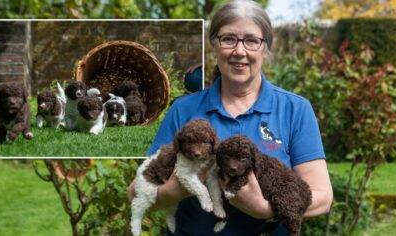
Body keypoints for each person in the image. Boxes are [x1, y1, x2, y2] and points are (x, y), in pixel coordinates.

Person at [128, 0, 333, 235]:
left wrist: (266, 209)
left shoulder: (295, 109)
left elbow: (323, 198)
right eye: (228, 39)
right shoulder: (184, 110)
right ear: (214, 45)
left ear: (265, 49)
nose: (239, 51)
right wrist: (188, 181)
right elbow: (136, 192)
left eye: (251, 40)